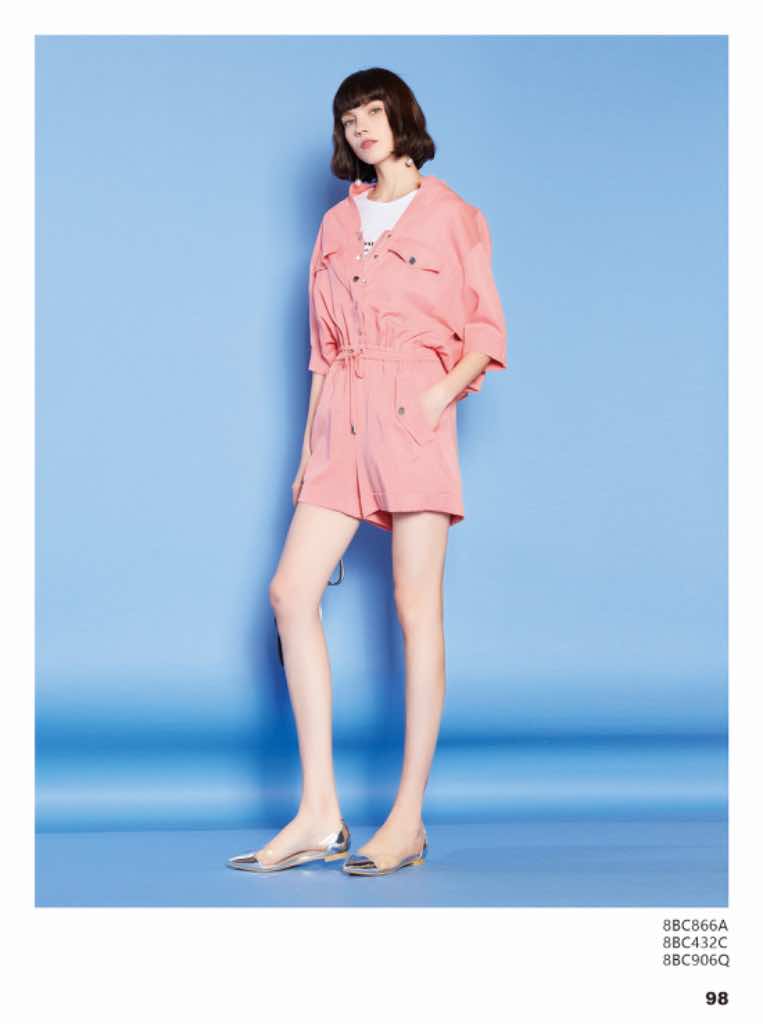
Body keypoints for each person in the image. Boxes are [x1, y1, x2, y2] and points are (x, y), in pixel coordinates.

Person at [228, 67, 508, 877]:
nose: (360, 126)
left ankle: (407, 819)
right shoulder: (333, 224)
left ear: (401, 119)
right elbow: (321, 351)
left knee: (415, 611)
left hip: (412, 413)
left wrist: (435, 399)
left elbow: (485, 331)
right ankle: (319, 813)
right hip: (340, 418)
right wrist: (308, 452)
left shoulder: (454, 216)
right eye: (348, 116)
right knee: (290, 593)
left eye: (372, 111)